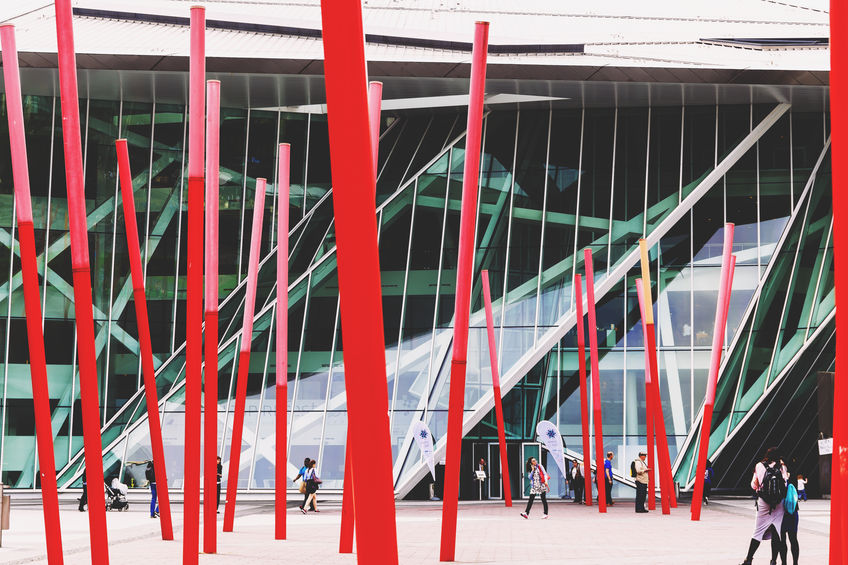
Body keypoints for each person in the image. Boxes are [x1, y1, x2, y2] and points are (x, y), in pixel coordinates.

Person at [738, 447, 789, 565]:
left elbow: (753, 485)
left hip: (764, 502)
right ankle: (773, 560)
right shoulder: (782, 467)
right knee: (777, 531)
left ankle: (749, 559)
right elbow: (785, 483)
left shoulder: (759, 466)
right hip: (778, 503)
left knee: (758, 531)